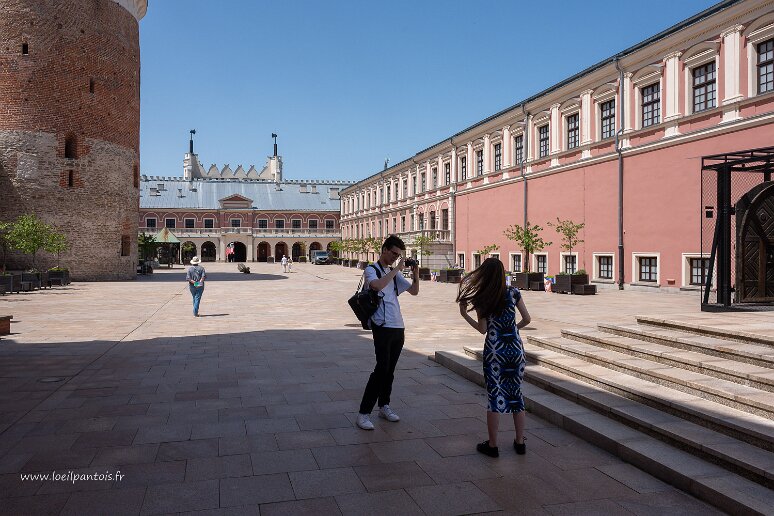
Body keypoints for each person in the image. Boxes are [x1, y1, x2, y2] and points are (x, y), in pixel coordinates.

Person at [456, 257, 531, 457]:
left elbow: (483, 329)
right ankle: (519, 442)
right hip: (515, 350)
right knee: (516, 395)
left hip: (495, 352)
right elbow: (527, 318)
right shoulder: (513, 293)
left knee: (495, 396)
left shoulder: (482, 298)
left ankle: (493, 445)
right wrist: (512, 329)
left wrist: (464, 314)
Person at [356, 234, 419, 430]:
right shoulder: (371, 270)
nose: (395, 257)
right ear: (384, 250)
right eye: (393, 253)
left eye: (399, 255)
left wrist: (415, 272)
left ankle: (384, 405)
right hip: (381, 326)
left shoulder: (393, 272)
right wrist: (397, 269)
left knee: (390, 371)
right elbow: (376, 286)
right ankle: (364, 413)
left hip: (398, 326)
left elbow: (414, 291)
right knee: (381, 369)